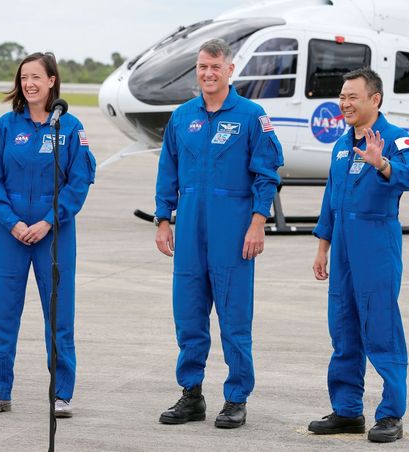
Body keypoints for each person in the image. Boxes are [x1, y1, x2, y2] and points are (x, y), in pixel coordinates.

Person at [154, 39, 283, 429]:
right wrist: (163, 219)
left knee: (234, 319)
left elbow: (267, 174)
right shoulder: (182, 117)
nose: (208, 73)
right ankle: (191, 395)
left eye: (215, 66)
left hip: (233, 232)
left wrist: (258, 222)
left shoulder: (250, 116)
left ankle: (236, 398)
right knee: (188, 317)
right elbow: (168, 172)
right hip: (190, 231)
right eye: (202, 67)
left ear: (230, 70)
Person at [0, 52, 96, 417]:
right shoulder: (6, 126)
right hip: (9, 232)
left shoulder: (70, 128)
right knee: (1, 315)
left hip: (54, 233)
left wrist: (48, 221)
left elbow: (79, 182)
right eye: (24, 77)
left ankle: (61, 394)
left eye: (36, 77)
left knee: (59, 316)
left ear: (52, 81)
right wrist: (12, 222)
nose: (29, 84)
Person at [308, 67, 409, 443]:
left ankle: (390, 414)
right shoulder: (342, 144)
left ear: (375, 100)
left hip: (376, 240)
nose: (345, 103)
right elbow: (331, 199)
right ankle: (347, 410)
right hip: (341, 244)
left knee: (381, 327)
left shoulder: (394, 137)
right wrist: (323, 247)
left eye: (352, 97)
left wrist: (382, 163)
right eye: (342, 97)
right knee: (342, 327)